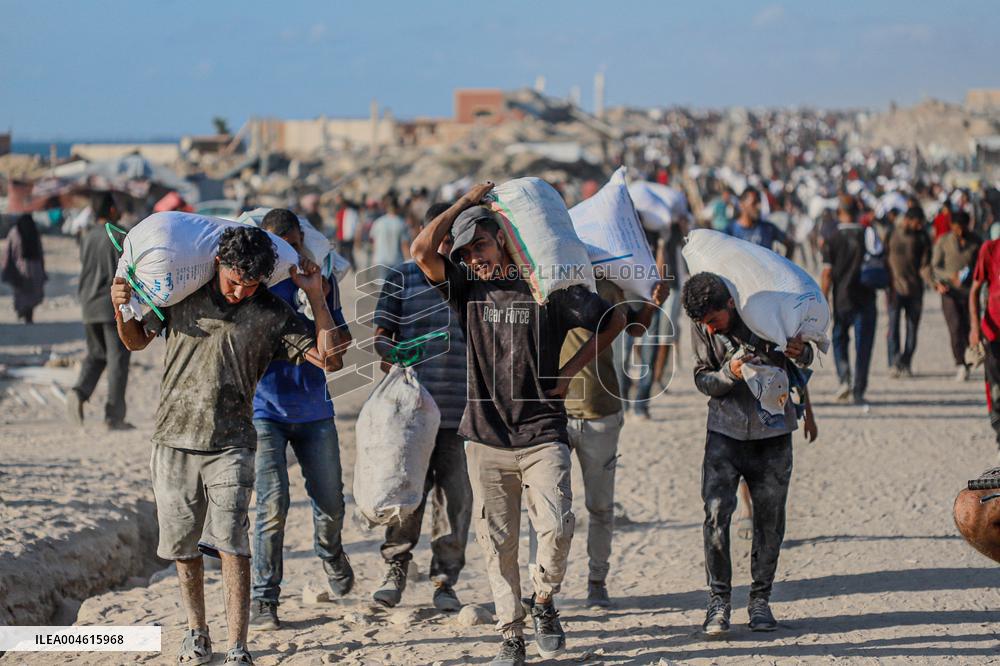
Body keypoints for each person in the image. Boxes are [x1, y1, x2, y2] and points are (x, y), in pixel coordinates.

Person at [410, 183, 626, 666]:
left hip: (543, 432)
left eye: (480, 245)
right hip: (485, 436)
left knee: (556, 527)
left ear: (504, 238)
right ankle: (511, 633)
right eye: (465, 251)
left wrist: (571, 371)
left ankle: (543, 601)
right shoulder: (466, 288)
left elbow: (616, 318)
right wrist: (465, 203)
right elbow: (422, 250)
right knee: (497, 541)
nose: (474, 257)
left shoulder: (548, 291)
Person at [111, 226, 344, 666]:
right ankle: (197, 634)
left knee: (233, 543)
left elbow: (330, 359)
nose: (240, 291)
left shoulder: (273, 313)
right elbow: (136, 340)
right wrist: (120, 307)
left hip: (233, 443)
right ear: (217, 263)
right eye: (234, 279)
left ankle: (238, 646)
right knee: (183, 549)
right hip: (172, 440)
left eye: (250, 284)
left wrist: (316, 297)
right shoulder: (182, 296)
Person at [682, 272, 815, 636]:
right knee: (714, 516)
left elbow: (806, 359)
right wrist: (729, 374)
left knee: (769, 521)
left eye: (713, 320)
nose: (708, 329)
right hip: (724, 434)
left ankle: (760, 601)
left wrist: (800, 351)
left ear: (729, 304)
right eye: (701, 324)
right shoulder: (702, 327)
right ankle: (719, 602)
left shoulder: (769, 314)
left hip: (772, 435)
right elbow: (702, 379)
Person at [529, 273, 668, 609]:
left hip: (601, 411)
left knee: (601, 507)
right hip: (551, 414)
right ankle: (539, 585)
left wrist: (651, 303)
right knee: (545, 512)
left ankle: (597, 581)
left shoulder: (608, 287)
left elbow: (634, 329)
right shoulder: (541, 283)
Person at [248, 209, 354, 631]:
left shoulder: (320, 282)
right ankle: (264, 597)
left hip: (315, 410)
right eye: (278, 243)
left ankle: (330, 553)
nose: (286, 251)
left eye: (292, 242)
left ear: (301, 241)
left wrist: (315, 296)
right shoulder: (252, 288)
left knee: (330, 502)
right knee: (271, 506)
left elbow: (338, 355)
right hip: (265, 412)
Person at [370, 202, 471, 612]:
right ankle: (395, 569)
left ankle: (445, 579)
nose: (445, 245)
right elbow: (380, 334)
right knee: (405, 493)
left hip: (461, 412)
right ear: (425, 234)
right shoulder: (401, 276)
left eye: (451, 238)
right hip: (410, 414)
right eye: (439, 236)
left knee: (455, 501)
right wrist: (391, 352)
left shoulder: (472, 280)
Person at [67, 193, 133, 430]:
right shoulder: (119, 235)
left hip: (88, 303)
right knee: (118, 361)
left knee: (96, 354)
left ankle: (79, 392)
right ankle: (114, 416)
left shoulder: (87, 236)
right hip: (110, 306)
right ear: (113, 209)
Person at [822, 199, 877, 405]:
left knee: (839, 339)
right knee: (864, 345)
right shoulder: (868, 234)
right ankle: (859, 389)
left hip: (842, 299)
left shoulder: (832, 238)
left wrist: (822, 299)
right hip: (866, 298)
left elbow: (827, 273)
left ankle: (844, 379)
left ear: (840, 212)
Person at [932, 211, 981, 381]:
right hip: (950, 293)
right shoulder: (944, 241)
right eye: (956, 228)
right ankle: (960, 362)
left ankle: (969, 359)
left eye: (962, 228)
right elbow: (935, 266)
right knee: (955, 327)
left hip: (969, 293)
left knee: (968, 326)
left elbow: (981, 265)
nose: (959, 231)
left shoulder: (976, 241)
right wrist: (948, 277)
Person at [885, 206, 932, 377]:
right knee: (893, 328)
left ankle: (906, 362)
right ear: (908, 220)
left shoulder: (922, 237)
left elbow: (926, 264)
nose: (920, 226)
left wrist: (933, 282)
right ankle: (894, 363)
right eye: (918, 223)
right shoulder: (891, 233)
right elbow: (883, 256)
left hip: (915, 290)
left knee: (912, 330)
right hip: (894, 290)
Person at [970, 238, 1000, 454]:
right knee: (996, 387)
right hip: (994, 333)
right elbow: (975, 291)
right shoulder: (990, 250)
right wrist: (974, 327)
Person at [1, 213, 46, 323]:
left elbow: (8, 252)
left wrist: (6, 268)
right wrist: (42, 268)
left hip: (20, 268)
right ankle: (29, 315)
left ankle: (22, 312)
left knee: (21, 293)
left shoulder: (14, 232)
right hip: (35, 268)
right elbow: (40, 252)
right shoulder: (34, 231)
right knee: (31, 293)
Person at [726, 188, 794, 258]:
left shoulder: (768, 228)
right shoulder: (730, 231)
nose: (759, 207)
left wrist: (784, 265)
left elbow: (789, 245)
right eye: (754, 203)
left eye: (759, 202)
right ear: (742, 205)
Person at [369, 196, 409, 279]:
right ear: (397, 208)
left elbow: (374, 242)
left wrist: (373, 258)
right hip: (396, 260)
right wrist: (409, 261)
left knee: (383, 288)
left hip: (380, 260)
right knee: (397, 288)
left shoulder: (378, 222)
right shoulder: (401, 223)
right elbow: (404, 245)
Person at [333, 193, 359, 271]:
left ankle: (352, 267)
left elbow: (355, 225)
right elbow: (337, 224)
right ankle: (342, 268)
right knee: (342, 253)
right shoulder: (340, 212)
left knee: (348, 253)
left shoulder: (350, 212)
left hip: (348, 236)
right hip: (342, 236)